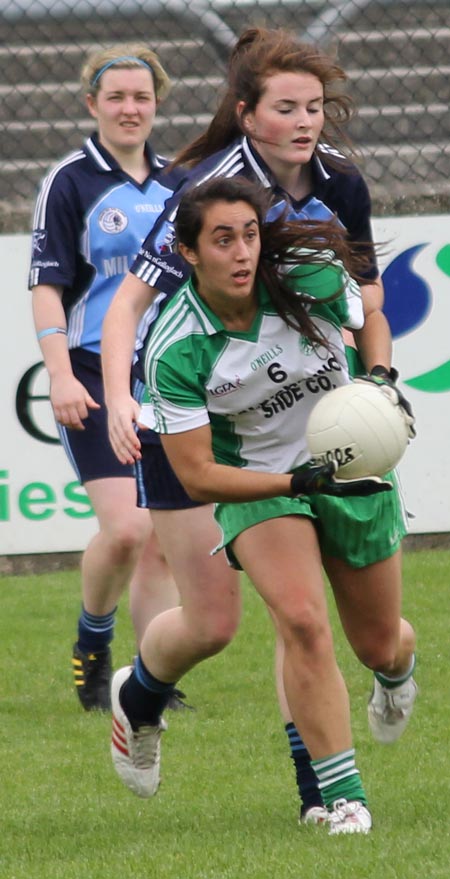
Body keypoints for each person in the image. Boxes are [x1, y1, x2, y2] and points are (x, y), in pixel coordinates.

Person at [102, 26, 417, 822]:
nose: (306, 120)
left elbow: (366, 307)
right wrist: (117, 400)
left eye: (315, 106)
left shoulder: (339, 184)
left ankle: (322, 797)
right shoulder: (208, 194)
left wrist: (377, 384)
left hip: (301, 421)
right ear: (247, 114)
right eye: (287, 107)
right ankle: (137, 699)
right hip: (195, 414)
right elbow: (130, 306)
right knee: (212, 622)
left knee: (306, 618)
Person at [29, 43, 188, 712]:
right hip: (96, 373)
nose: (130, 108)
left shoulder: (184, 182)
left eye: (141, 96)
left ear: (157, 103)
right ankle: (93, 641)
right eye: (116, 97)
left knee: (163, 537)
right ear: (92, 104)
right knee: (126, 528)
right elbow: (47, 285)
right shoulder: (71, 179)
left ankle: (150, 679)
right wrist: (60, 373)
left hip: (168, 374)